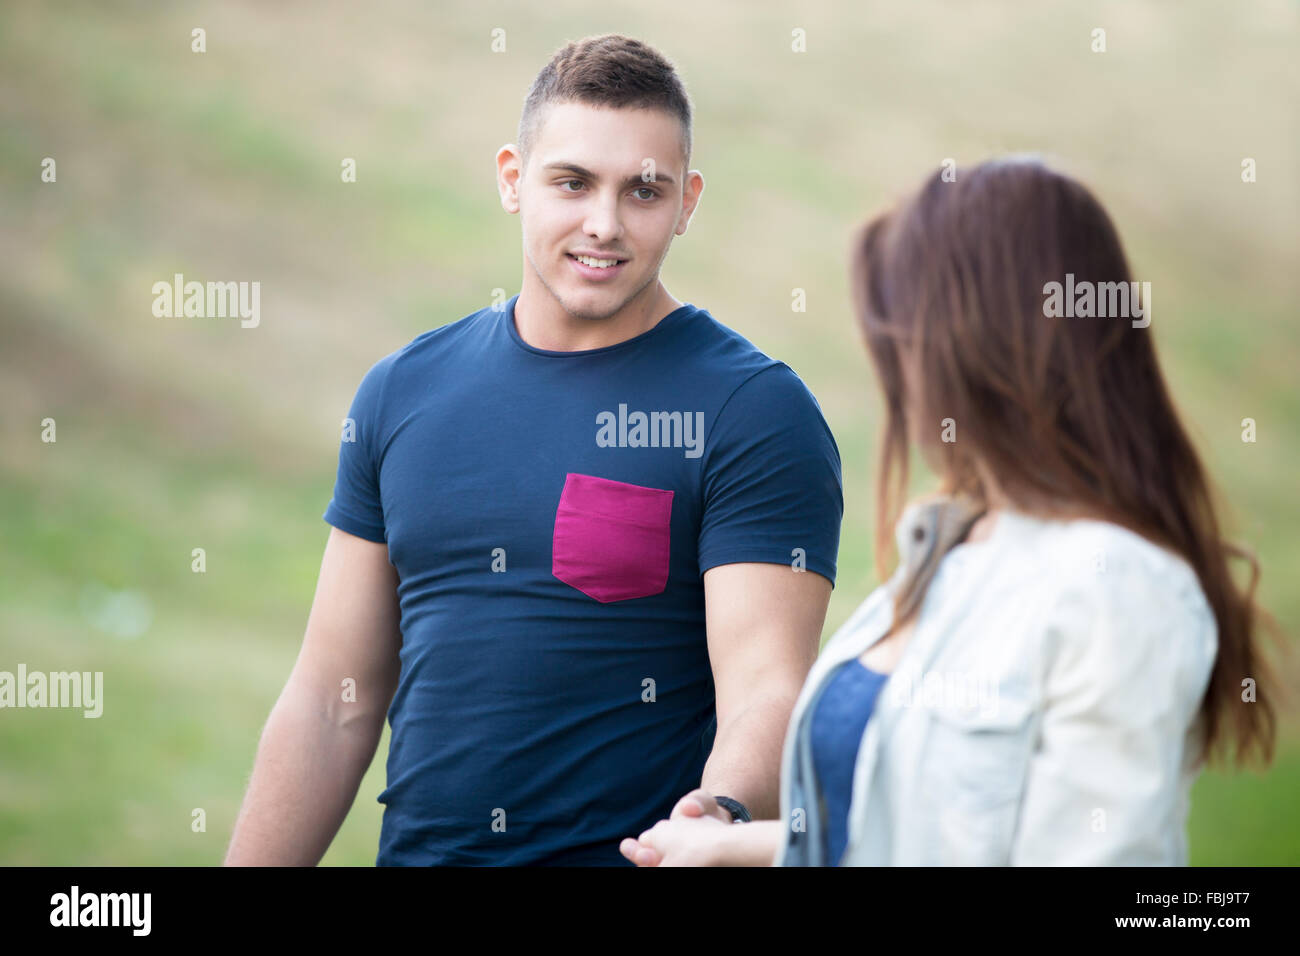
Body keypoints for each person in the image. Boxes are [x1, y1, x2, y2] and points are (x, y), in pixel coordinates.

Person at [223, 34, 843, 866]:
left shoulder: (754, 411)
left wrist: (718, 814)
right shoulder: (403, 392)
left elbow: (769, 686)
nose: (605, 224)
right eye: (573, 182)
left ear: (687, 201)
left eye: (644, 192)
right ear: (514, 180)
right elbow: (331, 700)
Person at [620, 156, 1279, 866]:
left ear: (977, 347)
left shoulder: (1117, 587)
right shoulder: (950, 550)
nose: (898, 374)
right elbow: (908, 835)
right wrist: (729, 845)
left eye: (904, 341)